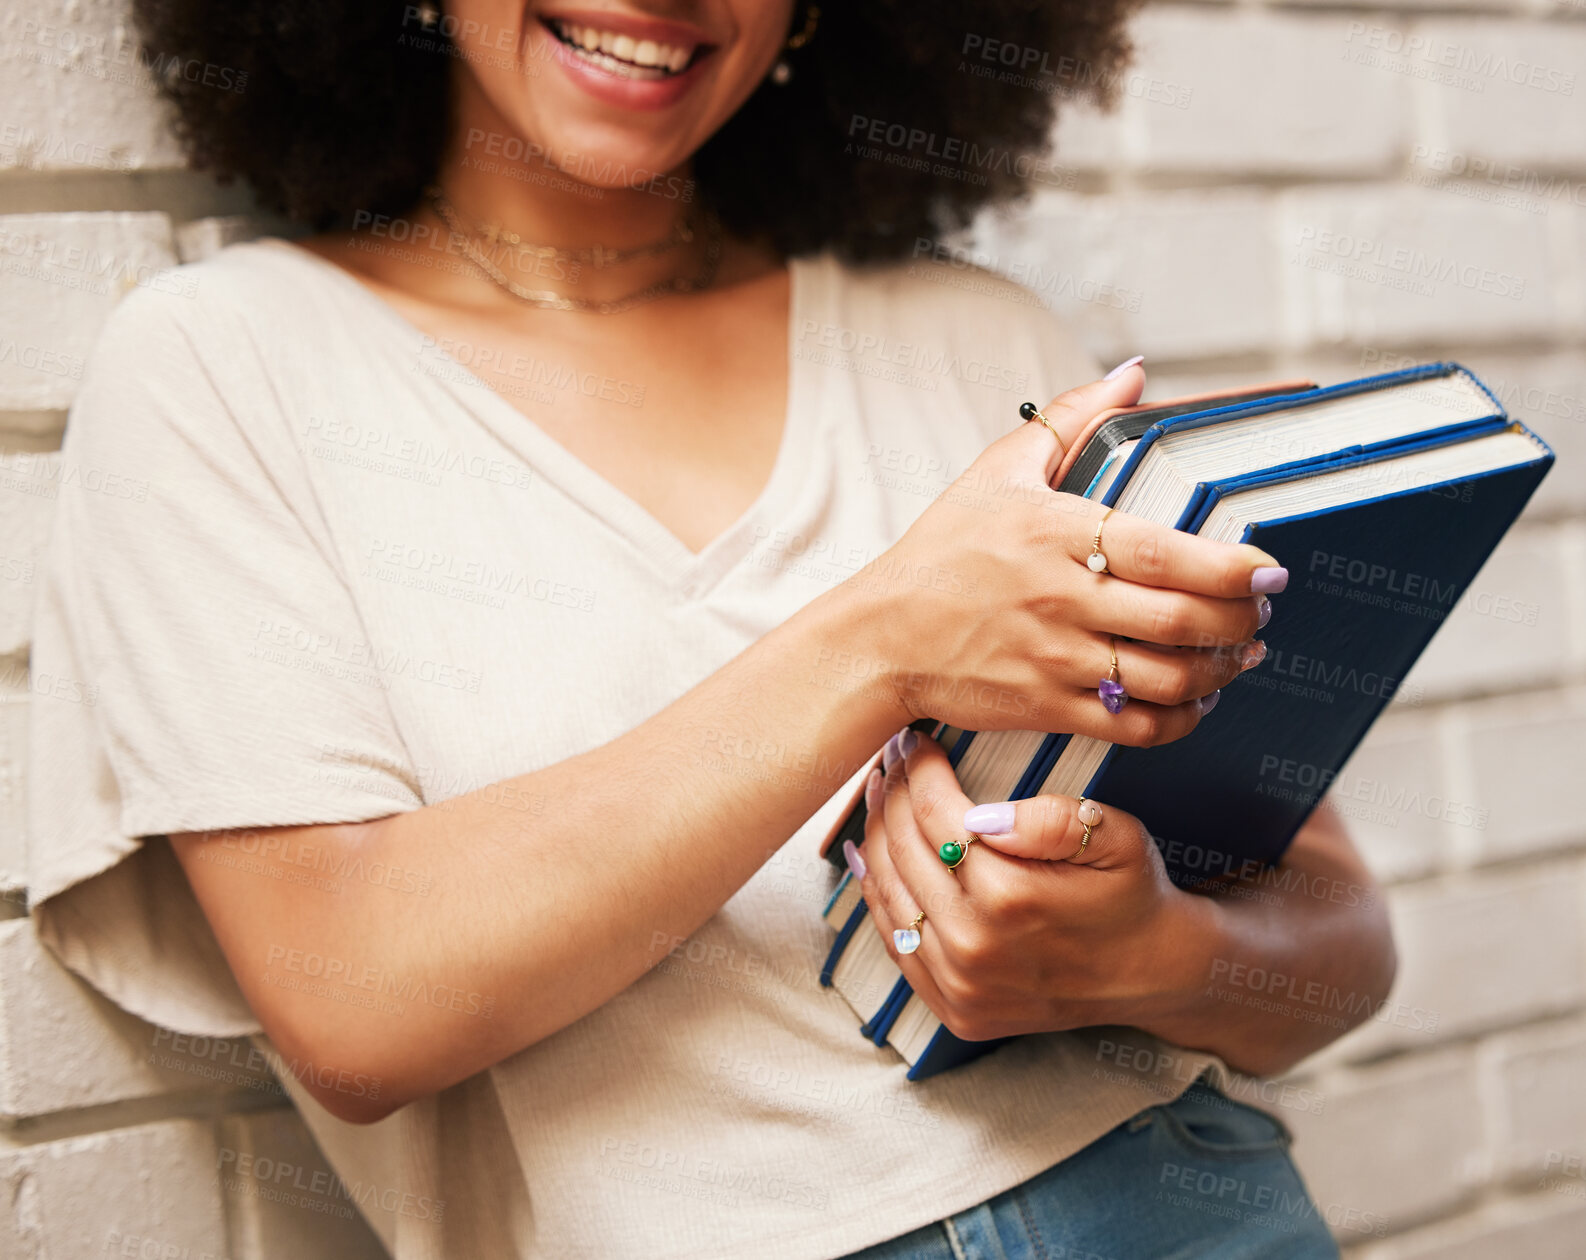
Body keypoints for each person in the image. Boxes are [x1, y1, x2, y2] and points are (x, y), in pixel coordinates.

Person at [28, 2, 1394, 1256]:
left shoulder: (973, 341)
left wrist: (1156, 954)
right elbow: (356, 1004)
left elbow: (1336, 936)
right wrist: (883, 642)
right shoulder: (225, 366)